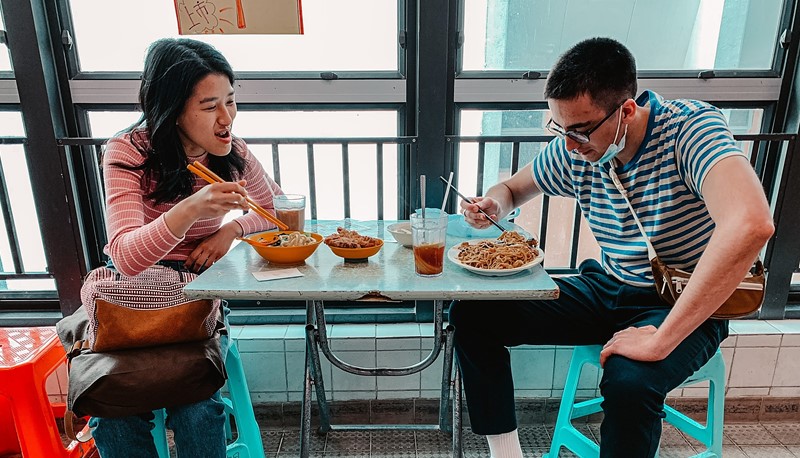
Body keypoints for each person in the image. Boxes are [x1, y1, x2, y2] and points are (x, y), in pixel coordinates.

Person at [450, 37, 774, 458]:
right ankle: (507, 454)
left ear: (625, 110)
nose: (569, 145)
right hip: (610, 286)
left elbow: (752, 224)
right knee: (473, 313)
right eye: (560, 129)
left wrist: (660, 340)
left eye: (581, 131)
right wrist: (494, 202)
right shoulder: (575, 150)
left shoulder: (690, 130)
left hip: (685, 301)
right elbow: (512, 188)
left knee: (630, 383)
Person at [85, 37, 283, 457]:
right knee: (113, 411)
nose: (227, 118)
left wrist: (230, 231)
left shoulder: (234, 152)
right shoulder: (127, 151)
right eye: (210, 107)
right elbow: (126, 257)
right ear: (173, 110)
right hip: (131, 300)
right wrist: (192, 209)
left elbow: (276, 211)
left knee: (197, 408)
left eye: (231, 101)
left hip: (195, 301)